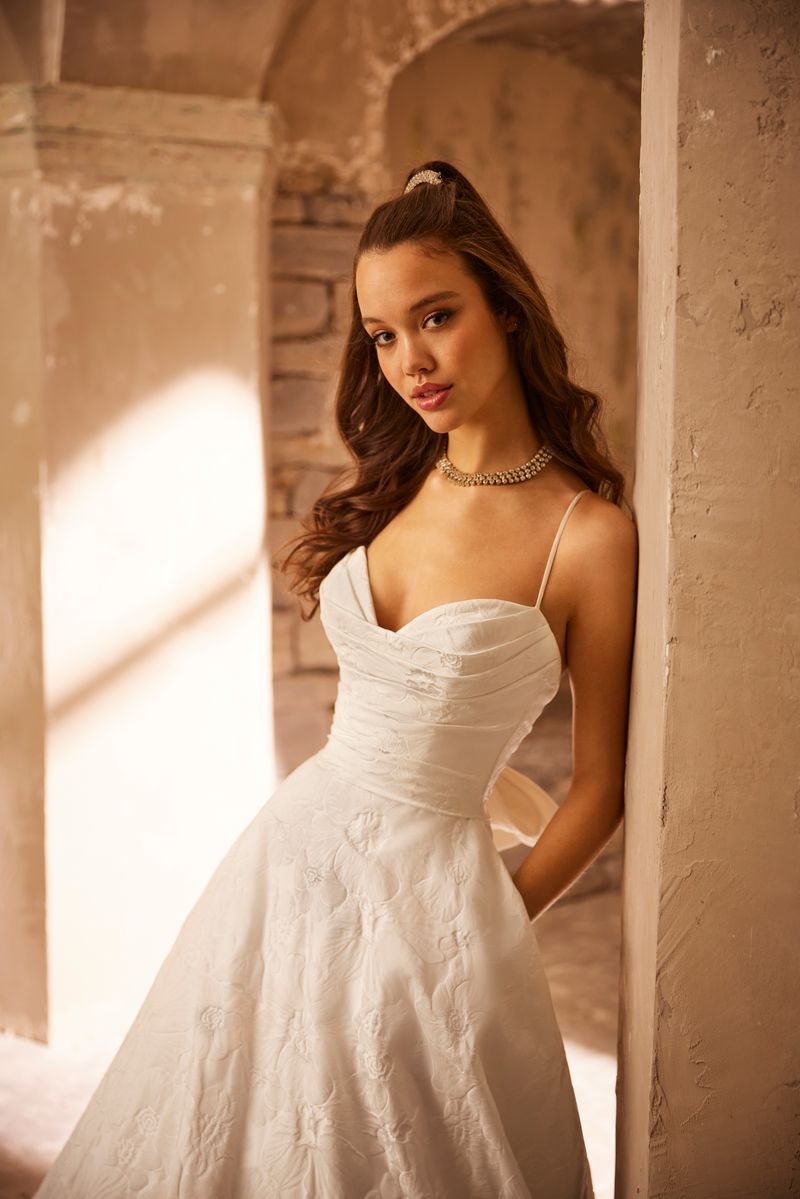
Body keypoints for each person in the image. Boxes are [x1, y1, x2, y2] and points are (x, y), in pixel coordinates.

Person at [34, 160, 637, 1198]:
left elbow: (599, 786)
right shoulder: (396, 484)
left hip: (438, 904)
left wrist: (490, 910)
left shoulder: (585, 537)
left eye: (436, 315)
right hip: (287, 864)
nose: (410, 359)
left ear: (504, 305)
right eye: (382, 334)